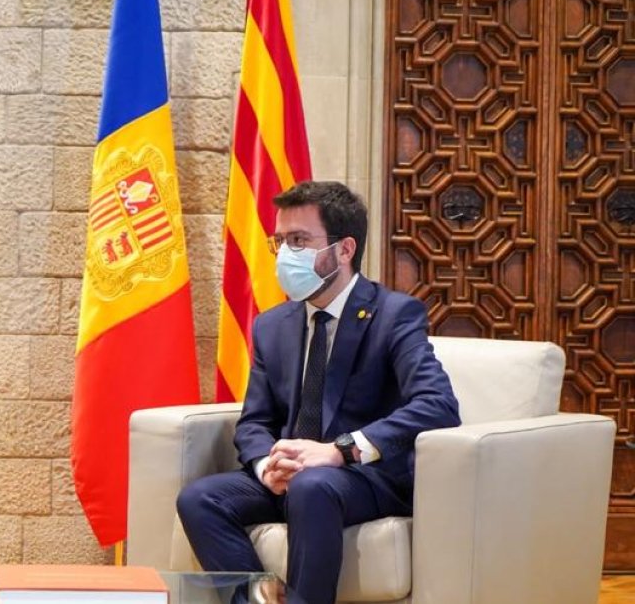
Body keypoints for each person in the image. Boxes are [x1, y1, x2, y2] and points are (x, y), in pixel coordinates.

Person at [176, 181, 460, 604]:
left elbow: (438, 405)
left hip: (363, 478)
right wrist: (264, 466)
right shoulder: (272, 326)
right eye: (280, 241)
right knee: (200, 499)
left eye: (299, 240)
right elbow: (255, 420)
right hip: (294, 478)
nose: (285, 253)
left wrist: (340, 451)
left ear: (344, 250)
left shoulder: (394, 314)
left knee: (313, 486)